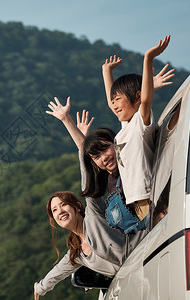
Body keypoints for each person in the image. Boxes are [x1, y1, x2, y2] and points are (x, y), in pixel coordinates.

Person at [33, 99, 147, 299]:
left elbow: (87, 168)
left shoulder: (94, 214)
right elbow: (57, 274)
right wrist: (40, 288)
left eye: (63, 205)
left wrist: (67, 121)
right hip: (132, 283)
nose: (60, 211)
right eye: (54, 210)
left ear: (78, 206)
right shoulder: (77, 254)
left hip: (145, 255)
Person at [101, 36, 172, 230]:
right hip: (135, 202)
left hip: (149, 197)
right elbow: (110, 102)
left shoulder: (140, 123)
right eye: (113, 100)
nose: (114, 105)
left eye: (118, 99)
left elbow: (147, 98)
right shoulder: (126, 126)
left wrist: (148, 58)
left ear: (137, 97)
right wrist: (106, 71)